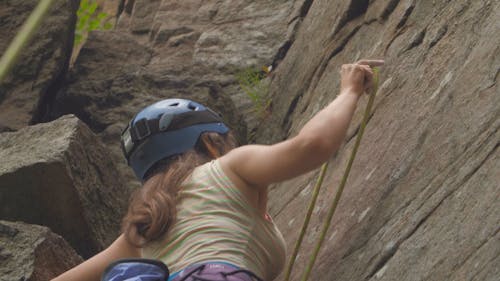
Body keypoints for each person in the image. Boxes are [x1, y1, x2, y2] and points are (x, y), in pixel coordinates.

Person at [52, 59, 384, 281]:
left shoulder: (144, 228)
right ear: (212, 143)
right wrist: (349, 90)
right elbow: (311, 146)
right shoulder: (228, 168)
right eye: (230, 140)